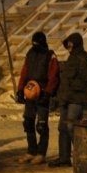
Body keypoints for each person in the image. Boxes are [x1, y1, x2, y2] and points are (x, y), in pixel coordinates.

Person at [49, 33, 87, 168]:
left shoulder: (84, 57)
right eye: (67, 43)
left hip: (75, 98)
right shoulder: (72, 58)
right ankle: (64, 157)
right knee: (62, 128)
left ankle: (82, 155)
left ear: (75, 43)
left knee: (71, 127)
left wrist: (74, 87)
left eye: (70, 43)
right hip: (66, 98)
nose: (68, 45)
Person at [16, 32, 60, 165]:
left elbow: (54, 75)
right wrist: (19, 90)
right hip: (30, 91)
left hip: (43, 93)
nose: (35, 46)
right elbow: (25, 72)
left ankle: (41, 153)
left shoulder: (50, 56)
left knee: (41, 125)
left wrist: (48, 93)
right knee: (28, 122)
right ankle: (31, 150)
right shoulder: (30, 54)